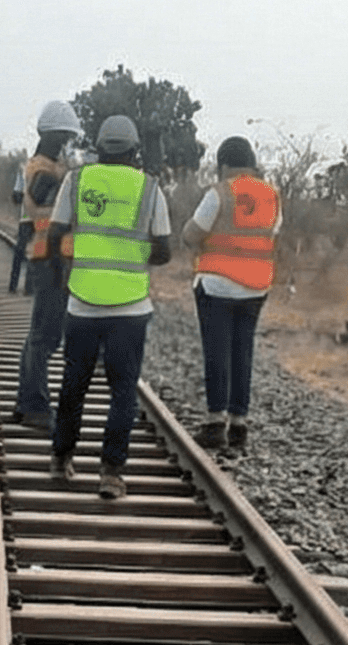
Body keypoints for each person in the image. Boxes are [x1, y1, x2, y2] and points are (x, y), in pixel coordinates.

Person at [45, 114, 171, 500]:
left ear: (98, 147)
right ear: (135, 151)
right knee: (122, 392)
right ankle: (112, 474)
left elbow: (54, 236)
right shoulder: (150, 188)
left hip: (82, 303)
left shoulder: (77, 180)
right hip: (131, 309)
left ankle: (61, 457)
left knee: (73, 386)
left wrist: (67, 272)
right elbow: (164, 251)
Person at [183, 136, 281, 452]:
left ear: (223, 165)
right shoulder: (271, 196)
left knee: (217, 351)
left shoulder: (220, 192)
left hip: (217, 284)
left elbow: (191, 233)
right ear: (252, 163)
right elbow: (273, 231)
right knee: (243, 351)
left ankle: (215, 423)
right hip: (256, 285)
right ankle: (239, 426)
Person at [8, 100, 84, 430]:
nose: (70, 144)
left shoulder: (45, 165)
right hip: (51, 258)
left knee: (41, 335)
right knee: (46, 336)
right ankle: (36, 406)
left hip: (49, 256)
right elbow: (43, 196)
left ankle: (26, 402)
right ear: (55, 136)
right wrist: (71, 177)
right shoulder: (43, 168)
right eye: (67, 137)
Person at [7, 159, 31, 294]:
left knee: (19, 251)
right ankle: (30, 287)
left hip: (26, 217)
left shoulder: (24, 167)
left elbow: (16, 195)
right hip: (44, 220)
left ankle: (13, 285)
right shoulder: (55, 168)